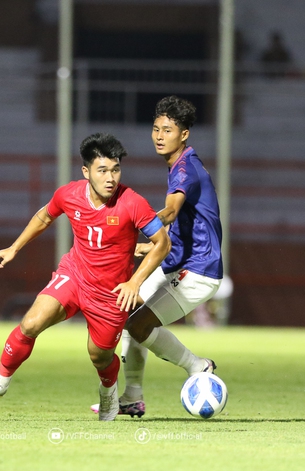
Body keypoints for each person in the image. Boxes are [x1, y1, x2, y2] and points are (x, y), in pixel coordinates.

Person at [0, 132, 171, 421]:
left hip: (111, 293)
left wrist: (134, 281)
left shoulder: (133, 203)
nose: (111, 178)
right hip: (74, 275)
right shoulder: (69, 194)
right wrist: (14, 247)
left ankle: (108, 393)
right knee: (31, 323)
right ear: (86, 171)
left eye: (116, 170)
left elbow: (162, 243)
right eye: (103, 171)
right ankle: (0, 380)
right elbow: (44, 216)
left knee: (99, 356)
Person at [91, 95, 223, 418]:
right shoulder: (181, 166)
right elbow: (183, 228)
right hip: (179, 263)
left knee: (138, 325)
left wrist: (137, 227)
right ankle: (132, 397)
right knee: (128, 312)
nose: (160, 135)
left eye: (168, 129)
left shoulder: (184, 171)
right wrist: (146, 247)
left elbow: (170, 212)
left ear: (185, 134)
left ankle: (198, 366)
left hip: (199, 270)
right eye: (156, 128)